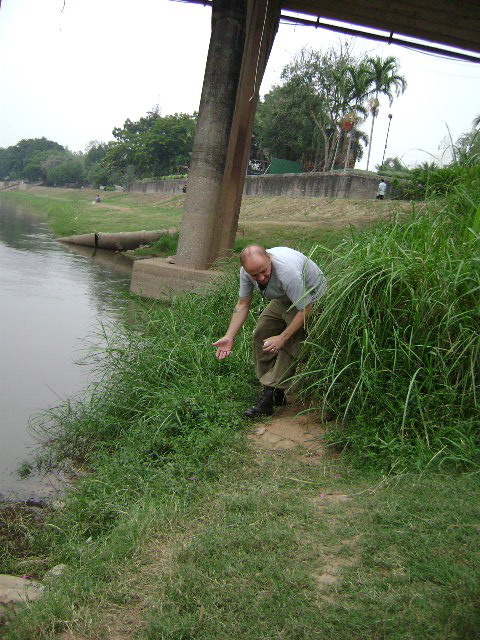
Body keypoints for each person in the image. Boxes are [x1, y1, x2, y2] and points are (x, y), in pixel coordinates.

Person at [212, 245, 327, 418]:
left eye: (264, 271)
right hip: (285, 297)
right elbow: (243, 304)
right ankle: (273, 388)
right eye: (255, 275)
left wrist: (282, 337)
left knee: (291, 341)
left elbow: (305, 309)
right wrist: (229, 336)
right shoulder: (246, 272)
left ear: (269, 259)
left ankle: (270, 395)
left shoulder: (288, 273)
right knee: (261, 333)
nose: (261, 278)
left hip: (311, 298)